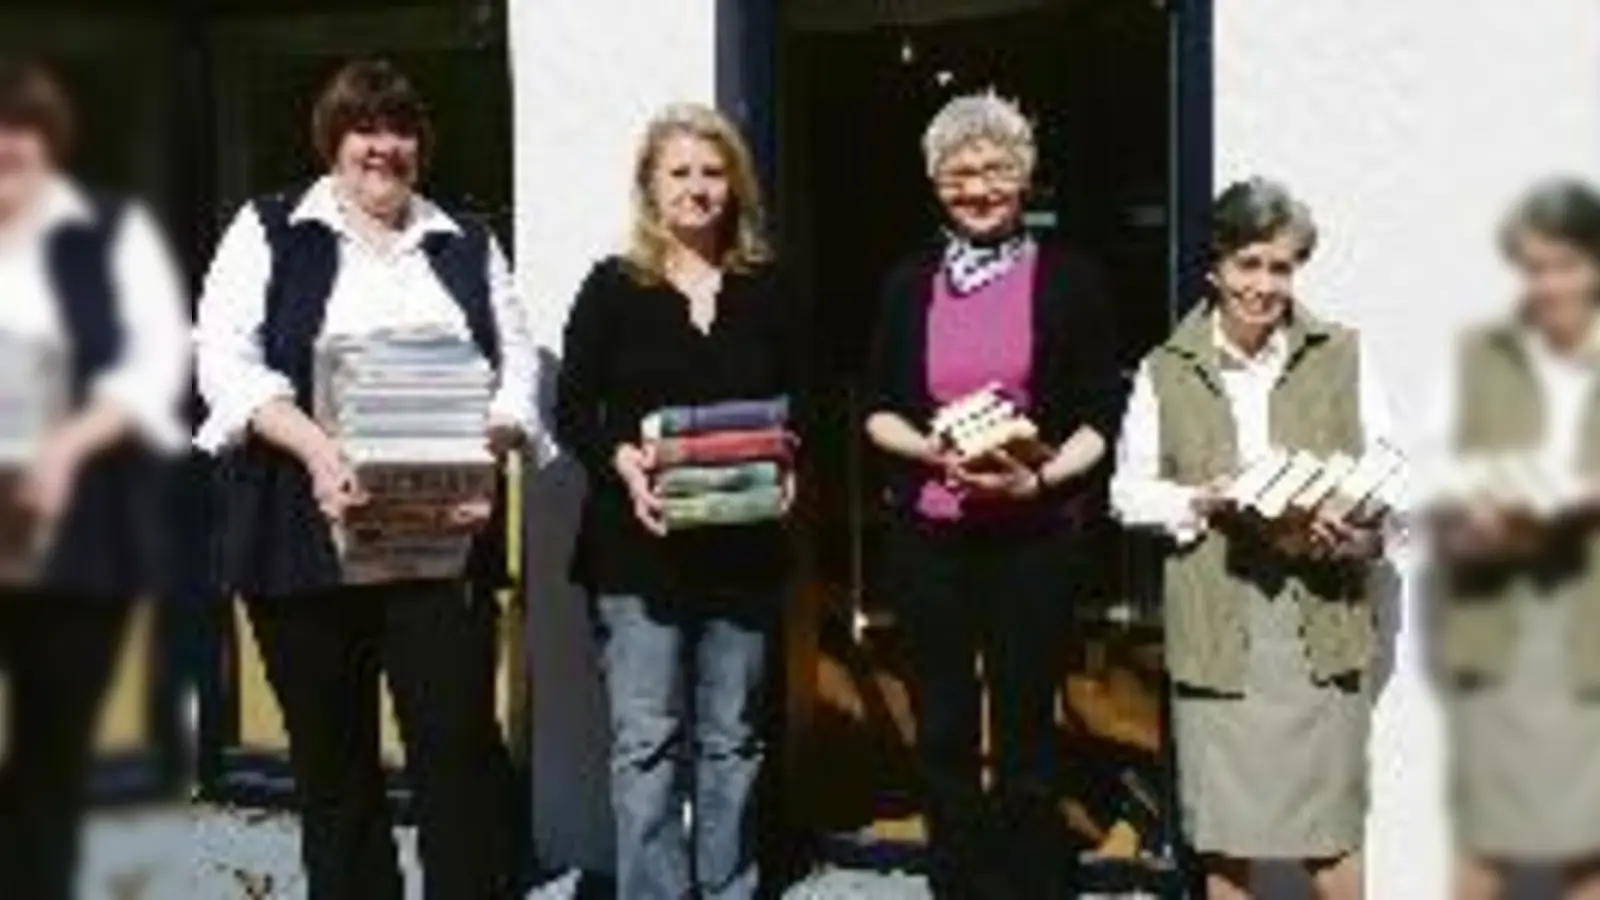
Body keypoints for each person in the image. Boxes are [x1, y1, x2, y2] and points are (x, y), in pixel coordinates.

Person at [193, 59, 535, 899]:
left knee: (457, 749)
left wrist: (486, 456)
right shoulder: (269, 227)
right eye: (365, 129)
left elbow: (518, 375)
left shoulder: (468, 242)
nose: (384, 147)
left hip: (441, 529)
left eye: (400, 129)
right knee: (333, 761)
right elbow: (224, 364)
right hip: (301, 528)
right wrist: (316, 449)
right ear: (333, 140)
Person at [862, 91, 1121, 900]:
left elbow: (1100, 416)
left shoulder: (1071, 279)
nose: (978, 188)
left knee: (1024, 725)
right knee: (940, 724)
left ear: (1025, 178)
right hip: (932, 536)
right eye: (960, 172)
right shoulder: (909, 284)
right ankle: (959, 880)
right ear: (937, 182)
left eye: (995, 170)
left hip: (1034, 535)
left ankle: (1031, 882)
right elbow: (877, 409)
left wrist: (1039, 477)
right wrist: (932, 448)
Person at [1110, 177, 1398, 900]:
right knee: (1226, 848)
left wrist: (1351, 515)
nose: (1264, 285)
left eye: (1281, 266)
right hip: (1218, 624)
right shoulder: (1164, 369)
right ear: (1216, 266)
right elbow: (1127, 493)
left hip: (1318, 628)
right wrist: (1202, 499)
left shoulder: (1344, 355)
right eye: (1248, 264)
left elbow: (1389, 479)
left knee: (1331, 841)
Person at [553, 102, 807, 900]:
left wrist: (793, 462)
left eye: (713, 171)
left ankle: (728, 887)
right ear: (649, 187)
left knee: (733, 738)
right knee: (648, 742)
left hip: (743, 547)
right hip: (638, 549)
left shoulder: (769, 287)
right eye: (681, 172)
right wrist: (619, 460)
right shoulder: (612, 286)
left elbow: (808, 401)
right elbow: (571, 410)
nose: (699, 189)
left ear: (735, 185)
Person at [0, 59, 189, 900]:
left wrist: (67, 448)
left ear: (50, 145)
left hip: (77, 540)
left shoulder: (112, 233)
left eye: (19, 147)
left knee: (50, 757)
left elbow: (156, 365)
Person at [1430, 178, 1600, 900]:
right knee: (1485, 848)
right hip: (1500, 627)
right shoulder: (1479, 354)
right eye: (1534, 266)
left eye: (1565, 264)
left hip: (1592, 626)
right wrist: (1477, 524)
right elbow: (1438, 483)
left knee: (1590, 851)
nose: (1549, 282)